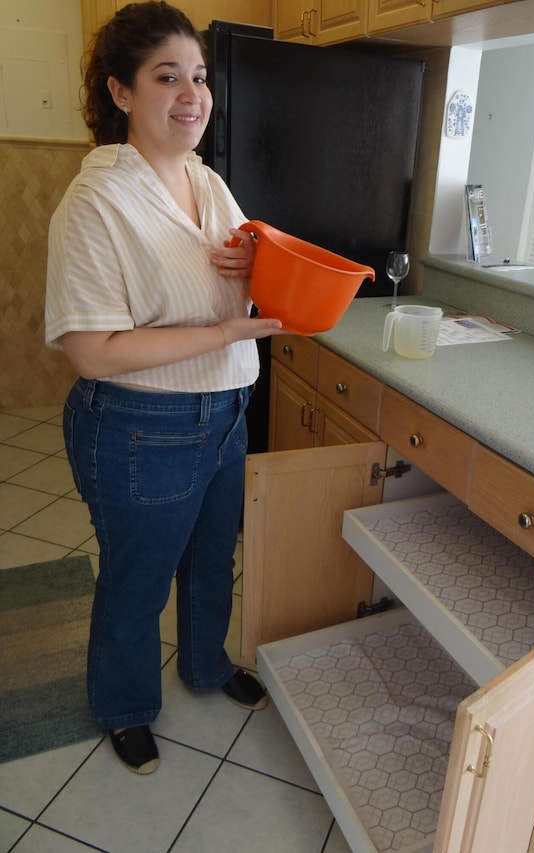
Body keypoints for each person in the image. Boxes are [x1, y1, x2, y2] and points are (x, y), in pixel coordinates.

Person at [45, 1, 284, 775]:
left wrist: (257, 268)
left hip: (227, 411)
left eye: (201, 77)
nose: (193, 94)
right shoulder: (97, 202)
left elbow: (257, 266)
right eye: (168, 76)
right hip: (141, 425)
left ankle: (207, 666)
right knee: (138, 577)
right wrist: (221, 333)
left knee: (214, 557)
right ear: (121, 93)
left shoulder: (207, 183)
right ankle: (124, 705)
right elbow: (92, 350)